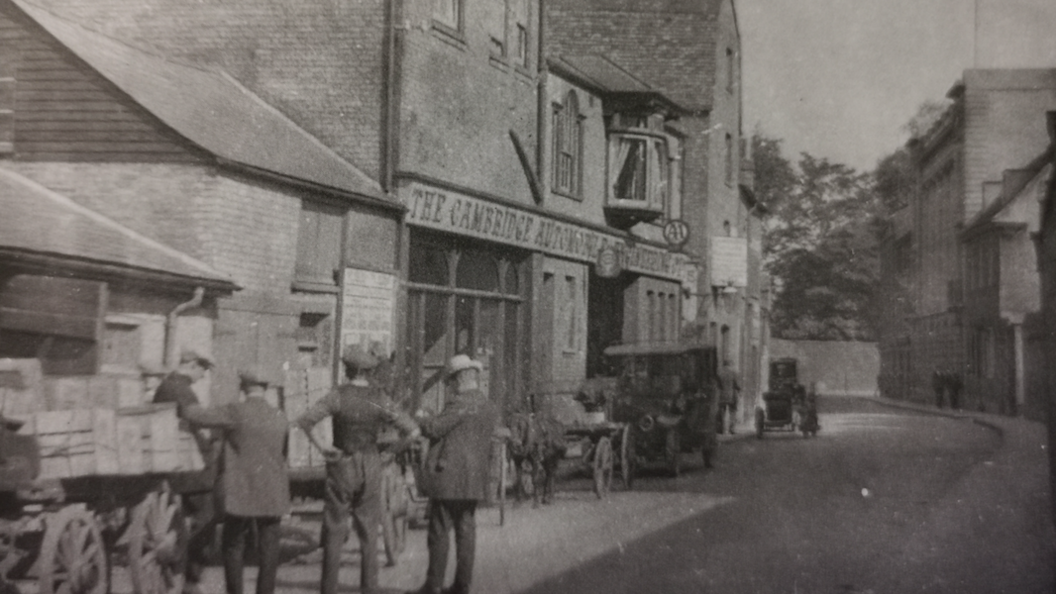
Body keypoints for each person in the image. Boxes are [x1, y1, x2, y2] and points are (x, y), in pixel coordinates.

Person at [296, 345, 418, 594]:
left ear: (347, 370)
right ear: (369, 372)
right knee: (369, 530)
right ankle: (368, 588)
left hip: (342, 464)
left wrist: (323, 448)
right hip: (372, 464)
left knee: (334, 528)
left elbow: (306, 420)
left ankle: (328, 589)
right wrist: (391, 452)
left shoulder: (337, 396)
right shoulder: (380, 398)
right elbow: (413, 431)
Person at [182, 369, 291, 594]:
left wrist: (181, 406)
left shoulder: (236, 411)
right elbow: (284, 453)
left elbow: (199, 415)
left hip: (240, 491)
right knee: (269, 549)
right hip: (272, 491)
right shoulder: (281, 416)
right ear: (266, 389)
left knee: (233, 546)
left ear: (242, 388)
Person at [407, 354, 500, 594]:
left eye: (449, 382)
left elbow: (436, 428)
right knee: (466, 531)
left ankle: (433, 585)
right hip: (474, 479)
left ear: (459, 380)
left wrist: (421, 417)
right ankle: (462, 586)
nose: (449, 387)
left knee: (439, 531)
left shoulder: (460, 403)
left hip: (449, 476)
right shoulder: (489, 406)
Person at [153, 349, 217, 594]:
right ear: (191, 365)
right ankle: (191, 579)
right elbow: (198, 418)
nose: (202, 376)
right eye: (202, 369)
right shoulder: (180, 388)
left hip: (174, 459)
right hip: (185, 468)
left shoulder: (167, 385)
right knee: (207, 517)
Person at [717, 360, 741, 435]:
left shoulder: (719, 372)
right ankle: (732, 429)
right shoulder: (734, 372)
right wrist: (739, 390)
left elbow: (718, 384)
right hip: (732, 394)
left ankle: (720, 429)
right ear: (729, 364)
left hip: (722, 394)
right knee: (733, 412)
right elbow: (737, 384)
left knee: (721, 412)